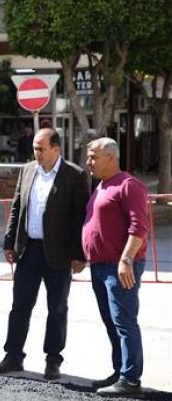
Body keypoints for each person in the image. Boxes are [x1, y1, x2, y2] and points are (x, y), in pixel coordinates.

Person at [0, 128, 90, 380]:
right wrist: (9, 242)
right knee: (20, 306)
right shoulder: (28, 170)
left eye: (41, 148)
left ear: (56, 149)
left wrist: (79, 254)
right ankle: (13, 356)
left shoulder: (74, 176)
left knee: (57, 308)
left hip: (59, 254)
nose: (36, 153)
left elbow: (81, 218)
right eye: (34, 148)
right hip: (28, 250)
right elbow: (16, 208)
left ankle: (53, 360)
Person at [82, 137, 149, 398]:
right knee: (112, 322)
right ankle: (119, 370)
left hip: (118, 266)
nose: (89, 162)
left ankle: (131, 380)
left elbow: (139, 227)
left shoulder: (128, 185)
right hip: (99, 266)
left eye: (93, 157)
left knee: (124, 322)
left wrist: (126, 260)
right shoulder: (100, 186)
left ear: (111, 157)